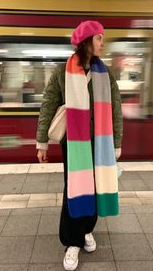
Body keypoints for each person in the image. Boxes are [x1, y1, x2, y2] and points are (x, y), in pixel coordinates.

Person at [36, 20, 123, 271]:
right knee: (74, 189)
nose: (102, 42)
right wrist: (42, 141)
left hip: (100, 142)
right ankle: (72, 242)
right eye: (99, 38)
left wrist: (116, 142)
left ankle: (87, 230)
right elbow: (48, 105)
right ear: (86, 41)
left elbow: (115, 109)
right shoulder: (62, 72)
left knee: (95, 189)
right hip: (74, 144)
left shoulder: (105, 74)